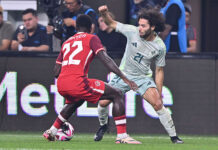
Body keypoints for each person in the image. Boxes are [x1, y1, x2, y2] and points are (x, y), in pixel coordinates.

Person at [43, 14, 141, 144]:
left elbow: (56, 72)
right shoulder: (92, 38)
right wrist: (124, 77)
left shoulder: (67, 42)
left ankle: (52, 131)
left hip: (61, 84)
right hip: (78, 83)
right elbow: (105, 59)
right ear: (91, 28)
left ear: (76, 27)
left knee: (77, 100)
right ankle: (122, 136)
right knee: (116, 94)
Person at [94, 5, 184, 144]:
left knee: (158, 104)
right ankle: (103, 126)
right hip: (123, 76)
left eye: (143, 26)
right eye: (139, 25)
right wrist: (104, 13)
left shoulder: (160, 46)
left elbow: (159, 70)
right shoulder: (132, 31)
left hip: (142, 78)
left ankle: (174, 137)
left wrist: (159, 92)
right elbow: (111, 23)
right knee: (102, 102)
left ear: (153, 27)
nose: (140, 28)